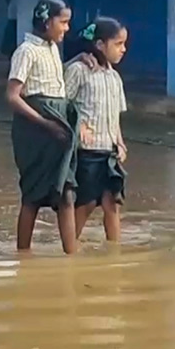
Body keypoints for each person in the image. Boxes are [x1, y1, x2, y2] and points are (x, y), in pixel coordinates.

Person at [5, 0, 78, 254]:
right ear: (47, 22)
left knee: (66, 191)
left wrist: (81, 59)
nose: (67, 29)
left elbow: (53, 82)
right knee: (33, 195)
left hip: (57, 129)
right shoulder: (26, 51)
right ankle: (22, 255)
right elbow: (13, 96)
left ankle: (73, 257)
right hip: (35, 132)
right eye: (64, 22)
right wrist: (45, 123)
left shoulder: (52, 50)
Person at [65, 17, 129, 243]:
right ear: (100, 44)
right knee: (86, 203)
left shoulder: (115, 78)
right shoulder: (79, 71)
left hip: (109, 151)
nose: (123, 49)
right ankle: (68, 249)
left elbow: (115, 117)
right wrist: (79, 125)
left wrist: (120, 143)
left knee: (112, 203)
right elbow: (62, 103)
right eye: (118, 44)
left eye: (124, 44)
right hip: (87, 151)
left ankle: (115, 253)